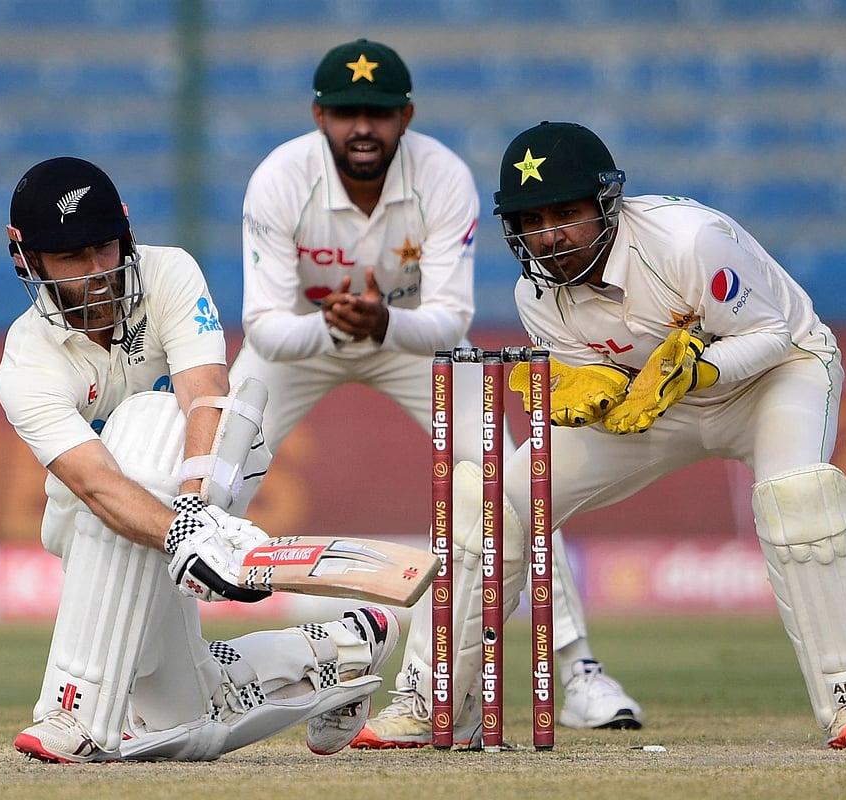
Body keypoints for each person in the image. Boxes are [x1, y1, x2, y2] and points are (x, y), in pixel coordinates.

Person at [415, 120, 846, 749]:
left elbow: (773, 333)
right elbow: (597, 380)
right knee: (496, 497)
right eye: (531, 219)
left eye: (566, 212)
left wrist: (699, 370)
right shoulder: (537, 296)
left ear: (607, 205)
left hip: (775, 376)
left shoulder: (689, 241)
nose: (549, 235)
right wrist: (579, 389)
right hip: (656, 402)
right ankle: (437, 704)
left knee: (800, 497)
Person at [228, 39, 641, 747]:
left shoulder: (442, 176)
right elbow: (264, 330)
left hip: (412, 340)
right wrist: (335, 328)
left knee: (512, 480)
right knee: (213, 471)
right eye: (349, 112)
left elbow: (452, 319)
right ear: (320, 115)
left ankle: (580, 671)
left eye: (381, 113)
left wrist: (382, 320)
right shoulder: (278, 179)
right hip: (304, 342)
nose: (365, 127)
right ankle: (155, 662)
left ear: (407, 115)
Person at [0, 156, 399, 763]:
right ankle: (345, 649)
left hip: (214, 465)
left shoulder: (168, 272)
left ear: (126, 234)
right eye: (73, 258)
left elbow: (204, 394)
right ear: (26, 259)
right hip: (103, 514)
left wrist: (196, 511)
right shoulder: (25, 362)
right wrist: (180, 533)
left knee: (147, 418)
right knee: (181, 712)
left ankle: (74, 709)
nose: (98, 272)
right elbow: (95, 483)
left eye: (106, 248)